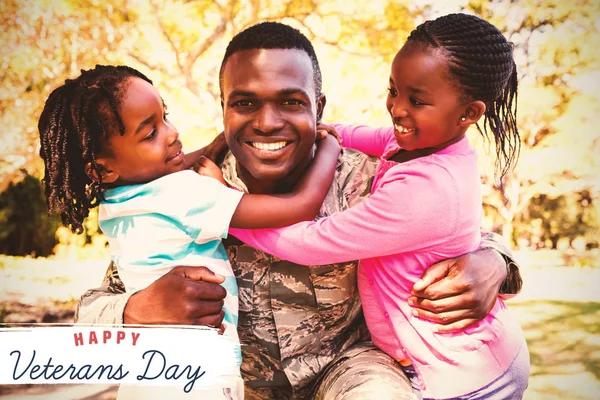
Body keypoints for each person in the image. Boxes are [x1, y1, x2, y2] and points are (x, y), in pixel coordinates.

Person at [75, 22, 524, 399]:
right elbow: (91, 310)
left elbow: (449, 224)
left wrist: (496, 263)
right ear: (225, 111)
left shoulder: (369, 177)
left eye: (290, 101)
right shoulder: (183, 195)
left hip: (351, 369)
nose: (267, 122)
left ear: (319, 109)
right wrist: (137, 309)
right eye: (245, 102)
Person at [231, 14, 529, 399]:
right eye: (394, 91)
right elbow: (361, 132)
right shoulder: (408, 146)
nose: (397, 109)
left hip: (462, 372)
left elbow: (310, 242)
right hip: (440, 359)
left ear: (469, 113)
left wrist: (223, 208)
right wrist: (325, 131)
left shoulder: (418, 185)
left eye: (291, 102)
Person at [38, 64, 341, 399]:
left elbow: (169, 166)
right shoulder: (183, 195)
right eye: (150, 133)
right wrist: (330, 147)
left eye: (164, 116)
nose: (172, 133)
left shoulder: (118, 199)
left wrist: (217, 144)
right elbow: (300, 206)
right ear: (105, 168)